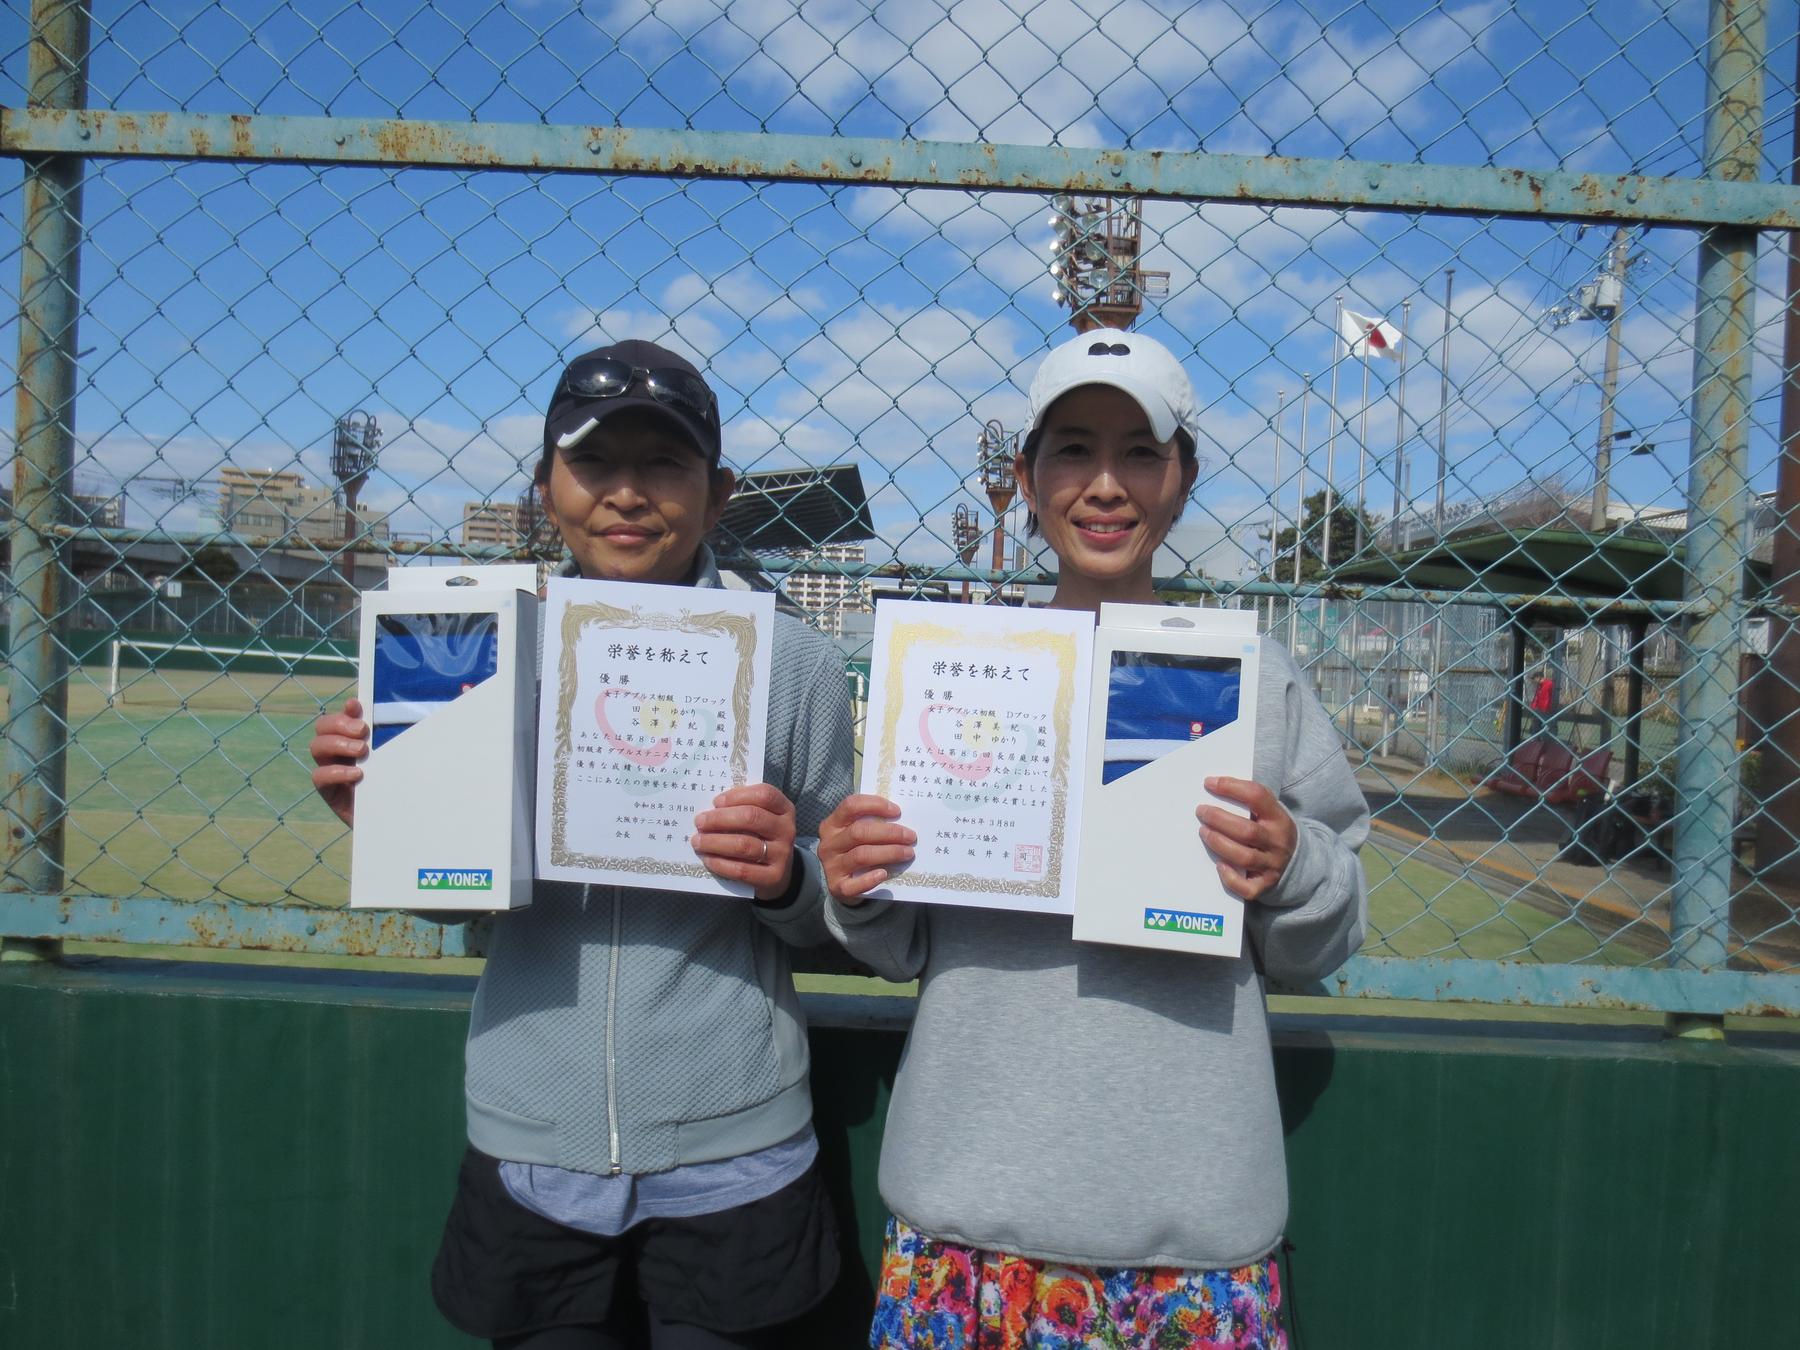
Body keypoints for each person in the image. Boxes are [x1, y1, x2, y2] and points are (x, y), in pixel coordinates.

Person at [817, 331, 1369, 1350]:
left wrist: (1294, 867)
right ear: (1027, 477)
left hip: (1192, 1243)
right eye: (1073, 449)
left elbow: (1323, 939)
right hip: (965, 1225)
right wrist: (856, 884)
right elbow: (897, 943)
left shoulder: (1258, 679)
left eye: (1140, 452)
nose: (1105, 484)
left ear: (1183, 478)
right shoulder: (955, 675)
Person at [309, 340, 852, 1350]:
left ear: (718, 491)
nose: (627, 494)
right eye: (594, 462)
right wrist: (391, 820)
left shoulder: (796, 663)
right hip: (530, 1139)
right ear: (546, 486)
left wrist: (791, 878)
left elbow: (849, 915)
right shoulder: (473, 648)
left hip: (737, 1146)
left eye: (665, 464)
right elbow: (454, 900)